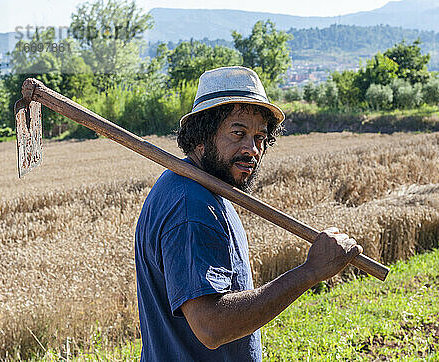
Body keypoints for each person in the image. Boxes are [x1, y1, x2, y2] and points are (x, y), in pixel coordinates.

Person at [134, 66, 362, 361]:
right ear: (201, 136)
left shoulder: (202, 189)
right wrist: (310, 272)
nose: (252, 149)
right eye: (238, 133)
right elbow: (211, 326)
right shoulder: (191, 205)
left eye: (260, 137)